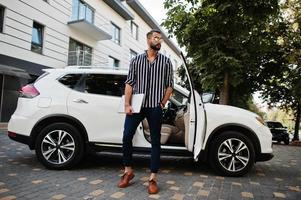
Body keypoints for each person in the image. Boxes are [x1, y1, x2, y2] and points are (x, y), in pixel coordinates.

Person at [117, 29, 174, 194]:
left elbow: (170, 85)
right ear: (148, 39)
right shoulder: (136, 60)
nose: (159, 41)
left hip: (155, 107)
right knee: (127, 136)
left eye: (160, 39)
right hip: (136, 106)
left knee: (155, 142)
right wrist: (127, 104)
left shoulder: (166, 62)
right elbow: (129, 83)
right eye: (156, 38)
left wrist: (162, 102)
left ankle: (153, 178)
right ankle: (128, 172)